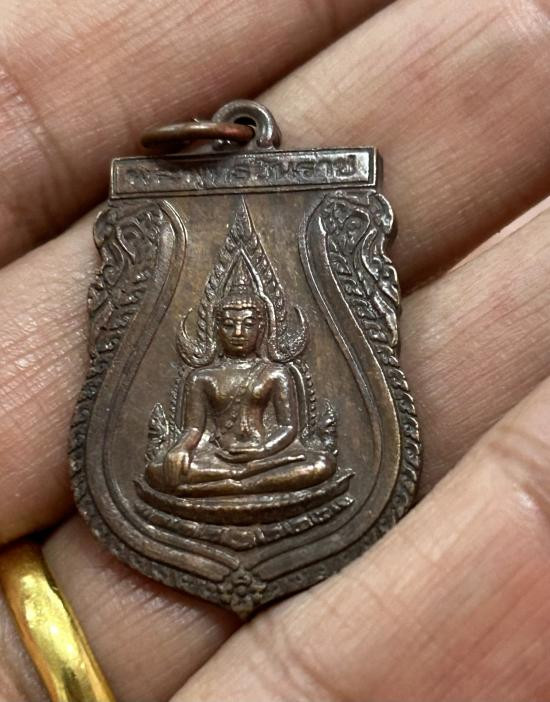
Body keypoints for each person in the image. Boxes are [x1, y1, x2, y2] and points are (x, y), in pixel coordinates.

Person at [0, 1, 549, 700]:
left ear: (262, 321)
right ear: (216, 323)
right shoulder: (204, 374)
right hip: (215, 468)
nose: (236, 328)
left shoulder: (278, 369)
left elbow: (288, 434)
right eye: (226, 319)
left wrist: (257, 456)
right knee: (169, 472)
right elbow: (192, 434)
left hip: (271, 463)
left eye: (245, 319)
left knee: (315, 463)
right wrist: (188, 455)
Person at [145, 259, 336, 497]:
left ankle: (233, 483)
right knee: (157, 470)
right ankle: (243, 480)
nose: (238, 333)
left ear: (261, 328)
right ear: (217, 329)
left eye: (248, 325)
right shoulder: (202, 377)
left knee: (321, 464)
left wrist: (262, 450)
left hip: (264, 455)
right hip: (217, 455)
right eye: (228, 325)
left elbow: (287, 427)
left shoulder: (275, 373)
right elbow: (194, 429)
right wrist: (180, 449)